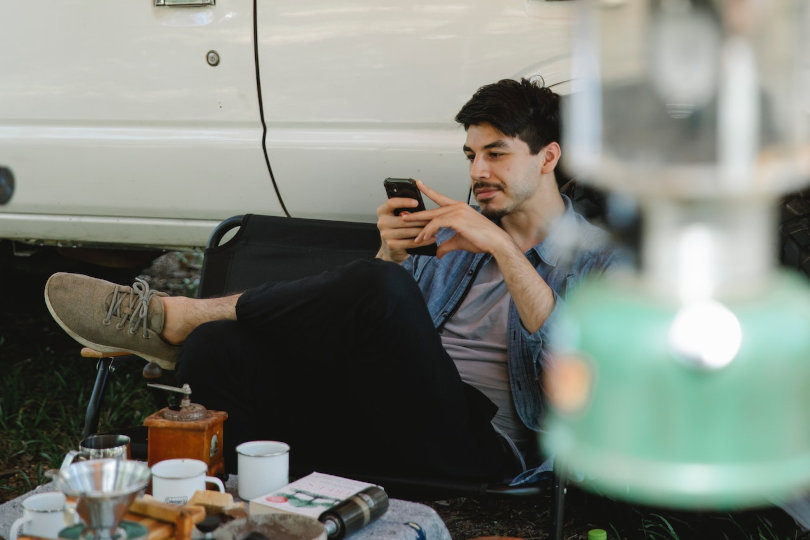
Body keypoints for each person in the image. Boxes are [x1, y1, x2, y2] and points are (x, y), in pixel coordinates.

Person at [44, 78, 624, 486]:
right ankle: (228, 498)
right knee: (220, 347)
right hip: (384, 418)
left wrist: (500, 244)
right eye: (471, 153)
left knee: (378, 288)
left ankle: (177, 314)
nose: (477, 172)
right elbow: (378, 336)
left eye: (496, 154)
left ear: (548, 158)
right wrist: (390, 254)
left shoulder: (602, 260)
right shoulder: (449, 236)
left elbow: (574, 386)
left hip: (480, 446)